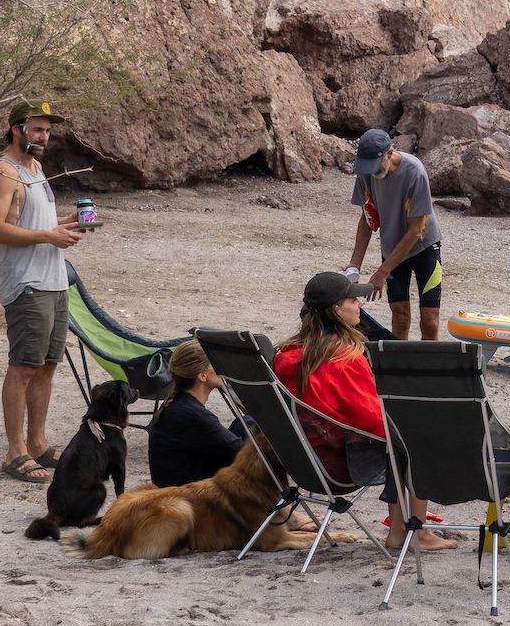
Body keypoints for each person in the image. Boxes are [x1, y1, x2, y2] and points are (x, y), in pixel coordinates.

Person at [272, 272, 456, 551]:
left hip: (303, 458)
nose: (360, 304)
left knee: (400, 437)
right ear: (337, 308)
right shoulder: (343, 357)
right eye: (353, 299)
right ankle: (414, 533)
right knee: (413, 437)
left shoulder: (287, 355)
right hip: (341, 461)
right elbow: (372, 420)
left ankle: (398, 531)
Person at [0, 99, 82, 484]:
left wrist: (63, 224)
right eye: (37, 129)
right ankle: (15, 452)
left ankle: (38, 444)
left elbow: (30, 219)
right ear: (17, 129)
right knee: (24, 365)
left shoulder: (35, 168)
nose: (44, 136)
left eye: (47, 129)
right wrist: (48, 235)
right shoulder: (3, 173)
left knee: (48, 365)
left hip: (54, 280)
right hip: (27, 284)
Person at [345, 128, 444, 341]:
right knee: (399, 317)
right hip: (391, 249)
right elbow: (367, 218)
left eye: (376, 165)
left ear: (390, 153)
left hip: (424, 248)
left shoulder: (414, 172)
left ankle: (430, 373)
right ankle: (400, 371)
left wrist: (382, 272)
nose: (372, 172)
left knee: (430, 320)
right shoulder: (366, 172)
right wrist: (354, 265)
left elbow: (416, 230)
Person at [146, 340, 243, 488]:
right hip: (189, 501)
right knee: (253, 438)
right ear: (202, 376)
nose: (221, 368)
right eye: (215, 364)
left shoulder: (178, 405)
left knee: (244, 424)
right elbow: (242, 453)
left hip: (179, 490)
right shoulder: (191, 415)